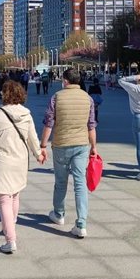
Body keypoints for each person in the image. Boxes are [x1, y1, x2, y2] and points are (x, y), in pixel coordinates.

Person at [0, 80, 44, 254]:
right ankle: (11, 225)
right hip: (20, 160)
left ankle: (10, 239)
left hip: (2, 160)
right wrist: (38, 154)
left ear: (5, 94)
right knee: (15, 194)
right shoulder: (27, 114)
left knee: (4, 200)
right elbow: (32, 138)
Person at [39, 68, 97, 238]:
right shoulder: (88, 99)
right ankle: (81, 223)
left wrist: (43, 145)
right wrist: (94, 146)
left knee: (61, 182)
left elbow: (49, 123)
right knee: (80, 183)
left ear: (65, 81)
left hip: (61, 145)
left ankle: (59, 214)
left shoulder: (56, 97)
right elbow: (91, 125)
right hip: (82, 145)